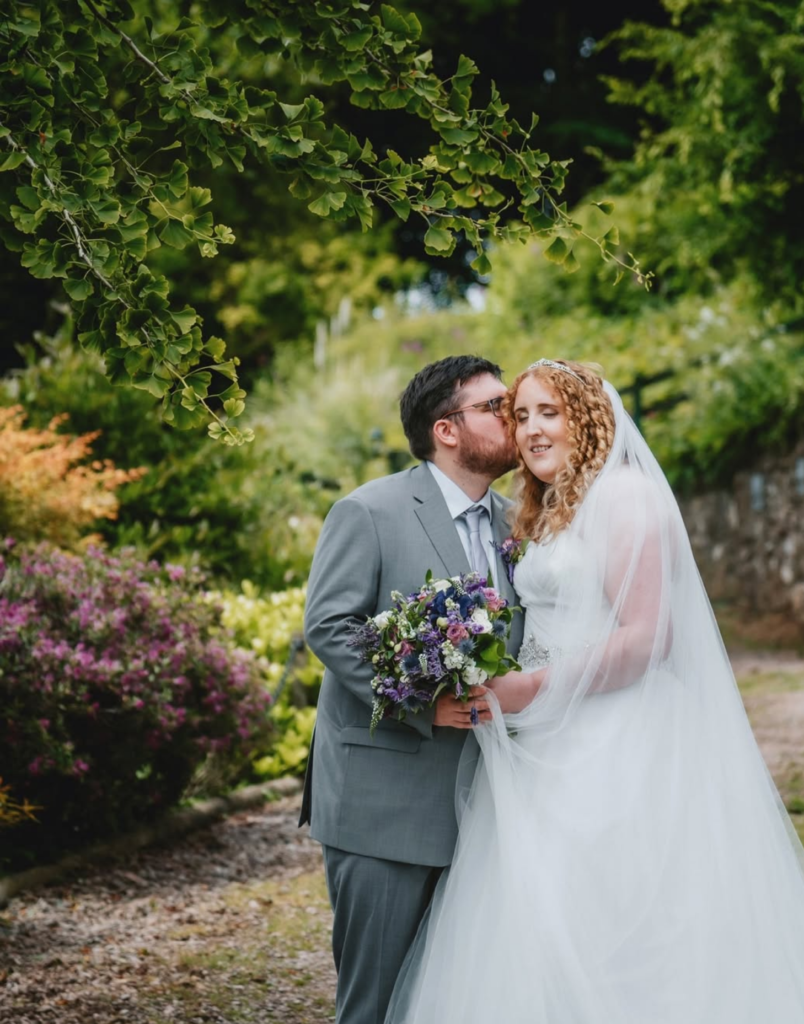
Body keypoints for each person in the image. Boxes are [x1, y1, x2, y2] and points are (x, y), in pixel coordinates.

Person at [385, 359, 804, 1024]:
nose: (530, 431)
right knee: (535, 914)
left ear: (588, 418)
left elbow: (647, 638)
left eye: (548, 413)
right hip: (543, 734)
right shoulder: (545, 508)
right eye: (520, 416)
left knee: (618, 912)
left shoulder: (626, 498)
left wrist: (529, 688)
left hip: (617, 735)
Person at [299, 355, 524, 1024]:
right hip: (384, 804)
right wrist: (425, 702)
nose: (511, 417)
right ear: (446, 430)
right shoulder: (370, 510)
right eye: (496, 406)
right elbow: (329, 625)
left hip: (488, 808)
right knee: (374, 1002)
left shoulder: (519, 522)